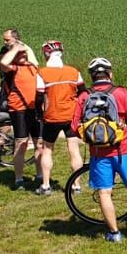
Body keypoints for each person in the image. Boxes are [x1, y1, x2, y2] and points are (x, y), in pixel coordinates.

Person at [71, 57, 127, 242]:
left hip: (99, 154)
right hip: (124, 150)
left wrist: (93, 138)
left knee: (104, 192)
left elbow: (74, 127)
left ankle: (114, 233)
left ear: (92, 76)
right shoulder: (121, 93)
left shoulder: (84, 96)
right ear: (110, 74)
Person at [35, 40, 84, 196]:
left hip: (52, 116)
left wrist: (39, 113)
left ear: (46, 54)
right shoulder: (74, 71)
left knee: (47, 149)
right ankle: (77, 185)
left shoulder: (42, 72)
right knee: (74, 150)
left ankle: (46, 185)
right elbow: (83, 92)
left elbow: (39, 97)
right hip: (71, 115)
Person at [1, 44, 46, 190]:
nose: (23, 55)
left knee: (40, 143)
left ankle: (40, 175)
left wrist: (25, 48)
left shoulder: (33, 67)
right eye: (19, 54)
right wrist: (15, 48)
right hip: (19, 109)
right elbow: (3, 63)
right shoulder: (12, 69)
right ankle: (19, 179)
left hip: (35, 110)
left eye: (24, 53)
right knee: (21, 143)